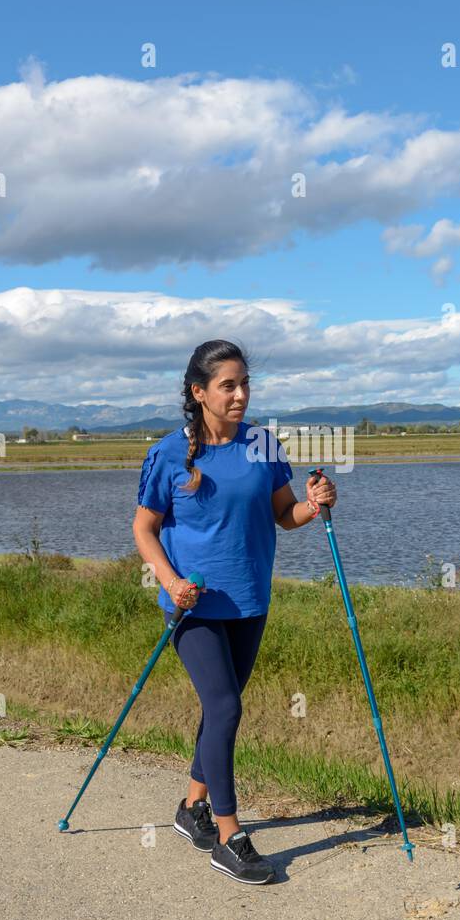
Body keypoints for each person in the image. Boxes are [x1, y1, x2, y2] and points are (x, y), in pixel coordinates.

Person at [132, 339, 336, 885]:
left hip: (250, 599)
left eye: (245, 383)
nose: (241, 394)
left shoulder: (264, 446)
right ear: (199, 392)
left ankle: (191, 806)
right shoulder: (169, 454)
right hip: (193, 604)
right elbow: (144, 528)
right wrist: (171, 582)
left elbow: (284, 516)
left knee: (222, 708)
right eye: (229, 385)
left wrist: (315, 504)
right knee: (224, 709)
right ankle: (229, 836)